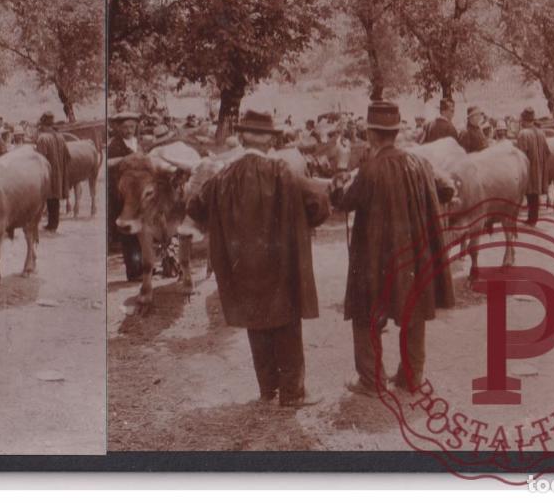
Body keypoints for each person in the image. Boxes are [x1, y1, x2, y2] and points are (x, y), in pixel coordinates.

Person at [187, 110, 330, 408]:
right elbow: (317, 201)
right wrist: (304, 223)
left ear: (240, 137)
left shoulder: (222, 175)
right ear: (270, 140)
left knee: (257, 323)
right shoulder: (283, 171)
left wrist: (222, 225)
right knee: (287, 323)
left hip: (242, 264)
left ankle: (268, 390)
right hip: (280, 261)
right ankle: (293, 393)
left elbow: (196, 207)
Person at [334, 101, 455, 396]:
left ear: (372, 135)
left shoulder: (369, 171)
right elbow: (447, 189)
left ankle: (372, 381)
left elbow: (342, 202)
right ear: (396, 132)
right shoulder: (420, 163)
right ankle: (412, 378)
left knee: (365, 314)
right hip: (414, 255)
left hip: (375, 257)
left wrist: (340, 169)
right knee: (414, 312)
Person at [106, 111, 143, 281]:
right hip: (122, 194)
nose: (129, 130)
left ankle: (143, 266)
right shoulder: (114, 145)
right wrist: (127, 158)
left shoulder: (138, 142)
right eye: (125, 127)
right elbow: (108, 163)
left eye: (132, 127)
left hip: (140, 193)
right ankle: (133, 271)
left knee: (141, 231)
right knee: (128, 232)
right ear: (119, 128)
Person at [33, 111, 71, 232]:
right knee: (55, 199)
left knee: (49, 198)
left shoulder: (43, 138)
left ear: (43, 125)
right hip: (59, 173)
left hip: (48, 173)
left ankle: (50, 225)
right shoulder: (60, 137)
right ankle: (53, 224)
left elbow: (40, 159)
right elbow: (68, 156)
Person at [515, 106, 552, 225]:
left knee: (530, 192)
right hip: (540, 168)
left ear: (524, 120)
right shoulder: (541, 132)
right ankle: (533, 218)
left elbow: (521, 155)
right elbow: (547, 151)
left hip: (529, 168)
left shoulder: (523, 134)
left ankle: (531, 219)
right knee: (535, 193)